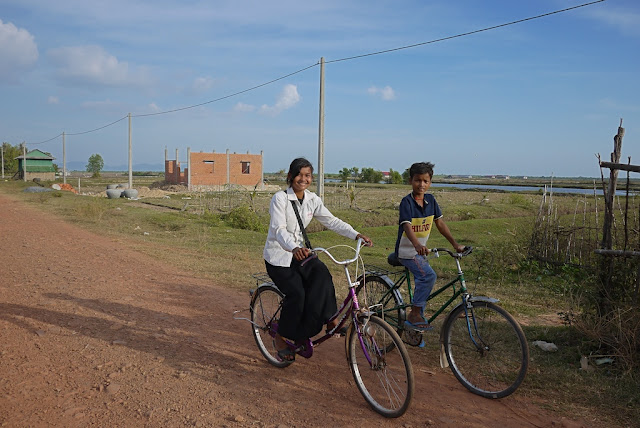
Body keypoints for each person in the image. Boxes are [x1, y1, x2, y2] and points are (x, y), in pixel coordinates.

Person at [263, 157, 372, 362]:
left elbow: (331, 221)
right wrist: (293, 247)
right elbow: (278, 230)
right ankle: (281, 336)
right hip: (279, 257)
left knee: (322, 274)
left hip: (302, 253)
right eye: (299, 175)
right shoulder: (280, 199)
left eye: (307, 176)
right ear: (290, 176)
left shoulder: (312, 199)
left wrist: (356, 234)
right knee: (297, 294)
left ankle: (328, 319)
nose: (303, 179)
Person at [395, 162, 465, 331]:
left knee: (424, 280)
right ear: (410, 181)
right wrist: (417, 244)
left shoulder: (431, 200)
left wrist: (455, 244)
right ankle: (414, 314)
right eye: (418, 180)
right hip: (407, 252)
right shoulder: (407, 202)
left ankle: (416, 326)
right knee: (428, 276)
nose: (422, 184)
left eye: (425, 181)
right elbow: (407, 226)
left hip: (420, 251)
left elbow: (440, 224)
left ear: (430, 182)